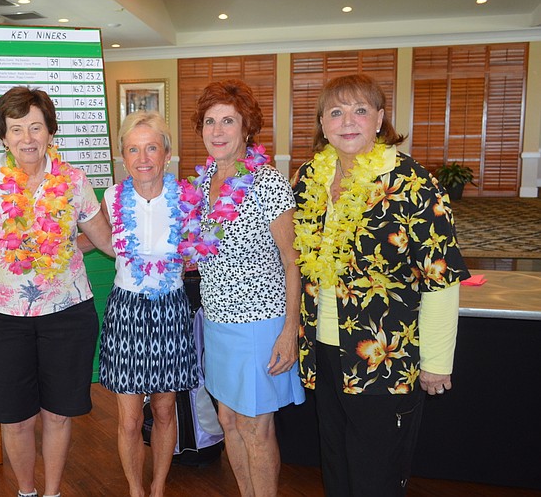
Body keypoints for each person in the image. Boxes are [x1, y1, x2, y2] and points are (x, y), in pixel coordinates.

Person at [291, 74, 470, 497]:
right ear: (322, 123)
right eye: (335, 112)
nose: (347, 121)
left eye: (359, 110)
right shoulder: (309, 178)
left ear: (380, 119)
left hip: (386, 354)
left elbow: (440, 277)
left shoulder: (413, 182)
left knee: (376, 470)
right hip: (325, 347)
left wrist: (437, 361)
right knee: (334, 458)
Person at [0, 86, 113, 497]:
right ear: (3, 136)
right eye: (16, 129)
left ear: (50, 131)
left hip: (68, 313)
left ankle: (52, 491)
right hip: (3, 319)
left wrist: (159, 249)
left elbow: (106, 240)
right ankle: (26, 492)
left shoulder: (73, 180)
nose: (27, 138)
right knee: (16, 419)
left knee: (57, 414)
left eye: (36, 127)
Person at [181, 80, 304, 497]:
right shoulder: (201, 185)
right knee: (228, 421)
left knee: (255, 428)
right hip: (217, 322)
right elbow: (202, 251)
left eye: (228, 121)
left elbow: (292, 261)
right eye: (210, 121)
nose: (217, 131)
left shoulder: (268, 183)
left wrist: (290, 330)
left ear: (247, 128)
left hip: (259, 324)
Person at [99, 111, 198, 497]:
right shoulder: (110, 197)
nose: (143, 158)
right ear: (123, 157)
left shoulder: (187, 198)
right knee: (127, 418)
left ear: (167, 154)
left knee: (163, 408)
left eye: (151, 148)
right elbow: (95, 239)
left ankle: (158, 487)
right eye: (133, 149)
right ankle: (135, 489)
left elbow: (203, 247)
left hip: (170, 308)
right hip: (126, 309)